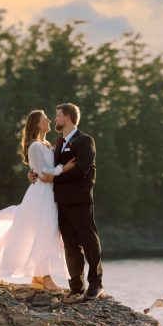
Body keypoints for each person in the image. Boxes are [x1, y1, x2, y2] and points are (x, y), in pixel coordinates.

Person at [0, 110, 72, 292]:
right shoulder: (35, 146)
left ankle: (38, 276)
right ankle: (47, 279)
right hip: (42, 194)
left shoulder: (46, 144)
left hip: (49, 194)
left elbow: (41, 169)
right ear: (36, 123)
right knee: (45, 233)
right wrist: (64, 169)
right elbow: (43, 174)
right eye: (44, 118)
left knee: (44, 232)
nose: (48, 120)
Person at [29, 103, 102, 303]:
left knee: (88, 241)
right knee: (70, 245)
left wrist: (54, 178)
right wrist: (34, 173)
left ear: (68, 117)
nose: (55, 119)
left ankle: (96, 284)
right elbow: (48, 166)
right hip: (59, 202)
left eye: (58, 115)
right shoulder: (58, 142)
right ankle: (76, 287)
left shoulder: (85, 141)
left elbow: (81, 171)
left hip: (80, 200)